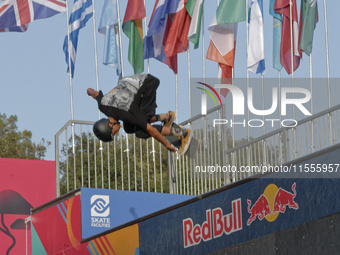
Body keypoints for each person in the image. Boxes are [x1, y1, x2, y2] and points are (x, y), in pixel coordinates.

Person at [87, 73, 192, 155]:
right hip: (137, 81)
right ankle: (166, 117)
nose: (117, 133)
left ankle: (183, 133)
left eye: (114, 133)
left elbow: (152, 131)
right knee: (129, 128)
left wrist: (166, 144)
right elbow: (95, 94)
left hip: (148, 84)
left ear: (110, 125)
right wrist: (89, 91)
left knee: (141, 131)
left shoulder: (127, 114)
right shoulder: (102, 105)